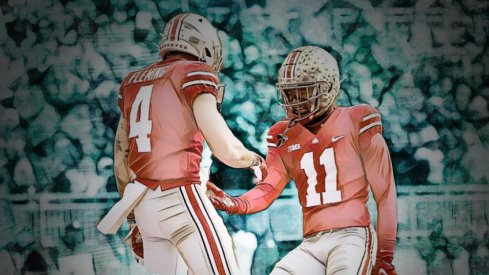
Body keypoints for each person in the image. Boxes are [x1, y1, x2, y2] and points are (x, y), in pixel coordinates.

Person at [207, 46, 398, 275]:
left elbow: (385, 194)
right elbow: (268, 189)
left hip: (352, 237)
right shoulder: (283, 135)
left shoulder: (357, 121)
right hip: (311, 243)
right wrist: (234, 203)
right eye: (290, 93)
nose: (294, 100)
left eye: (303, 92)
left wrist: (385, 257)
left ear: (327, 88)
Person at [111, 13, 267, 275]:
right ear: (204, 47)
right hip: (180, 196)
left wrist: (132, 217)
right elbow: (227, 150)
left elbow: (121, 157)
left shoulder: (132, 82)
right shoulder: (194, 72)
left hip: (144, 204)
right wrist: (254, 159)